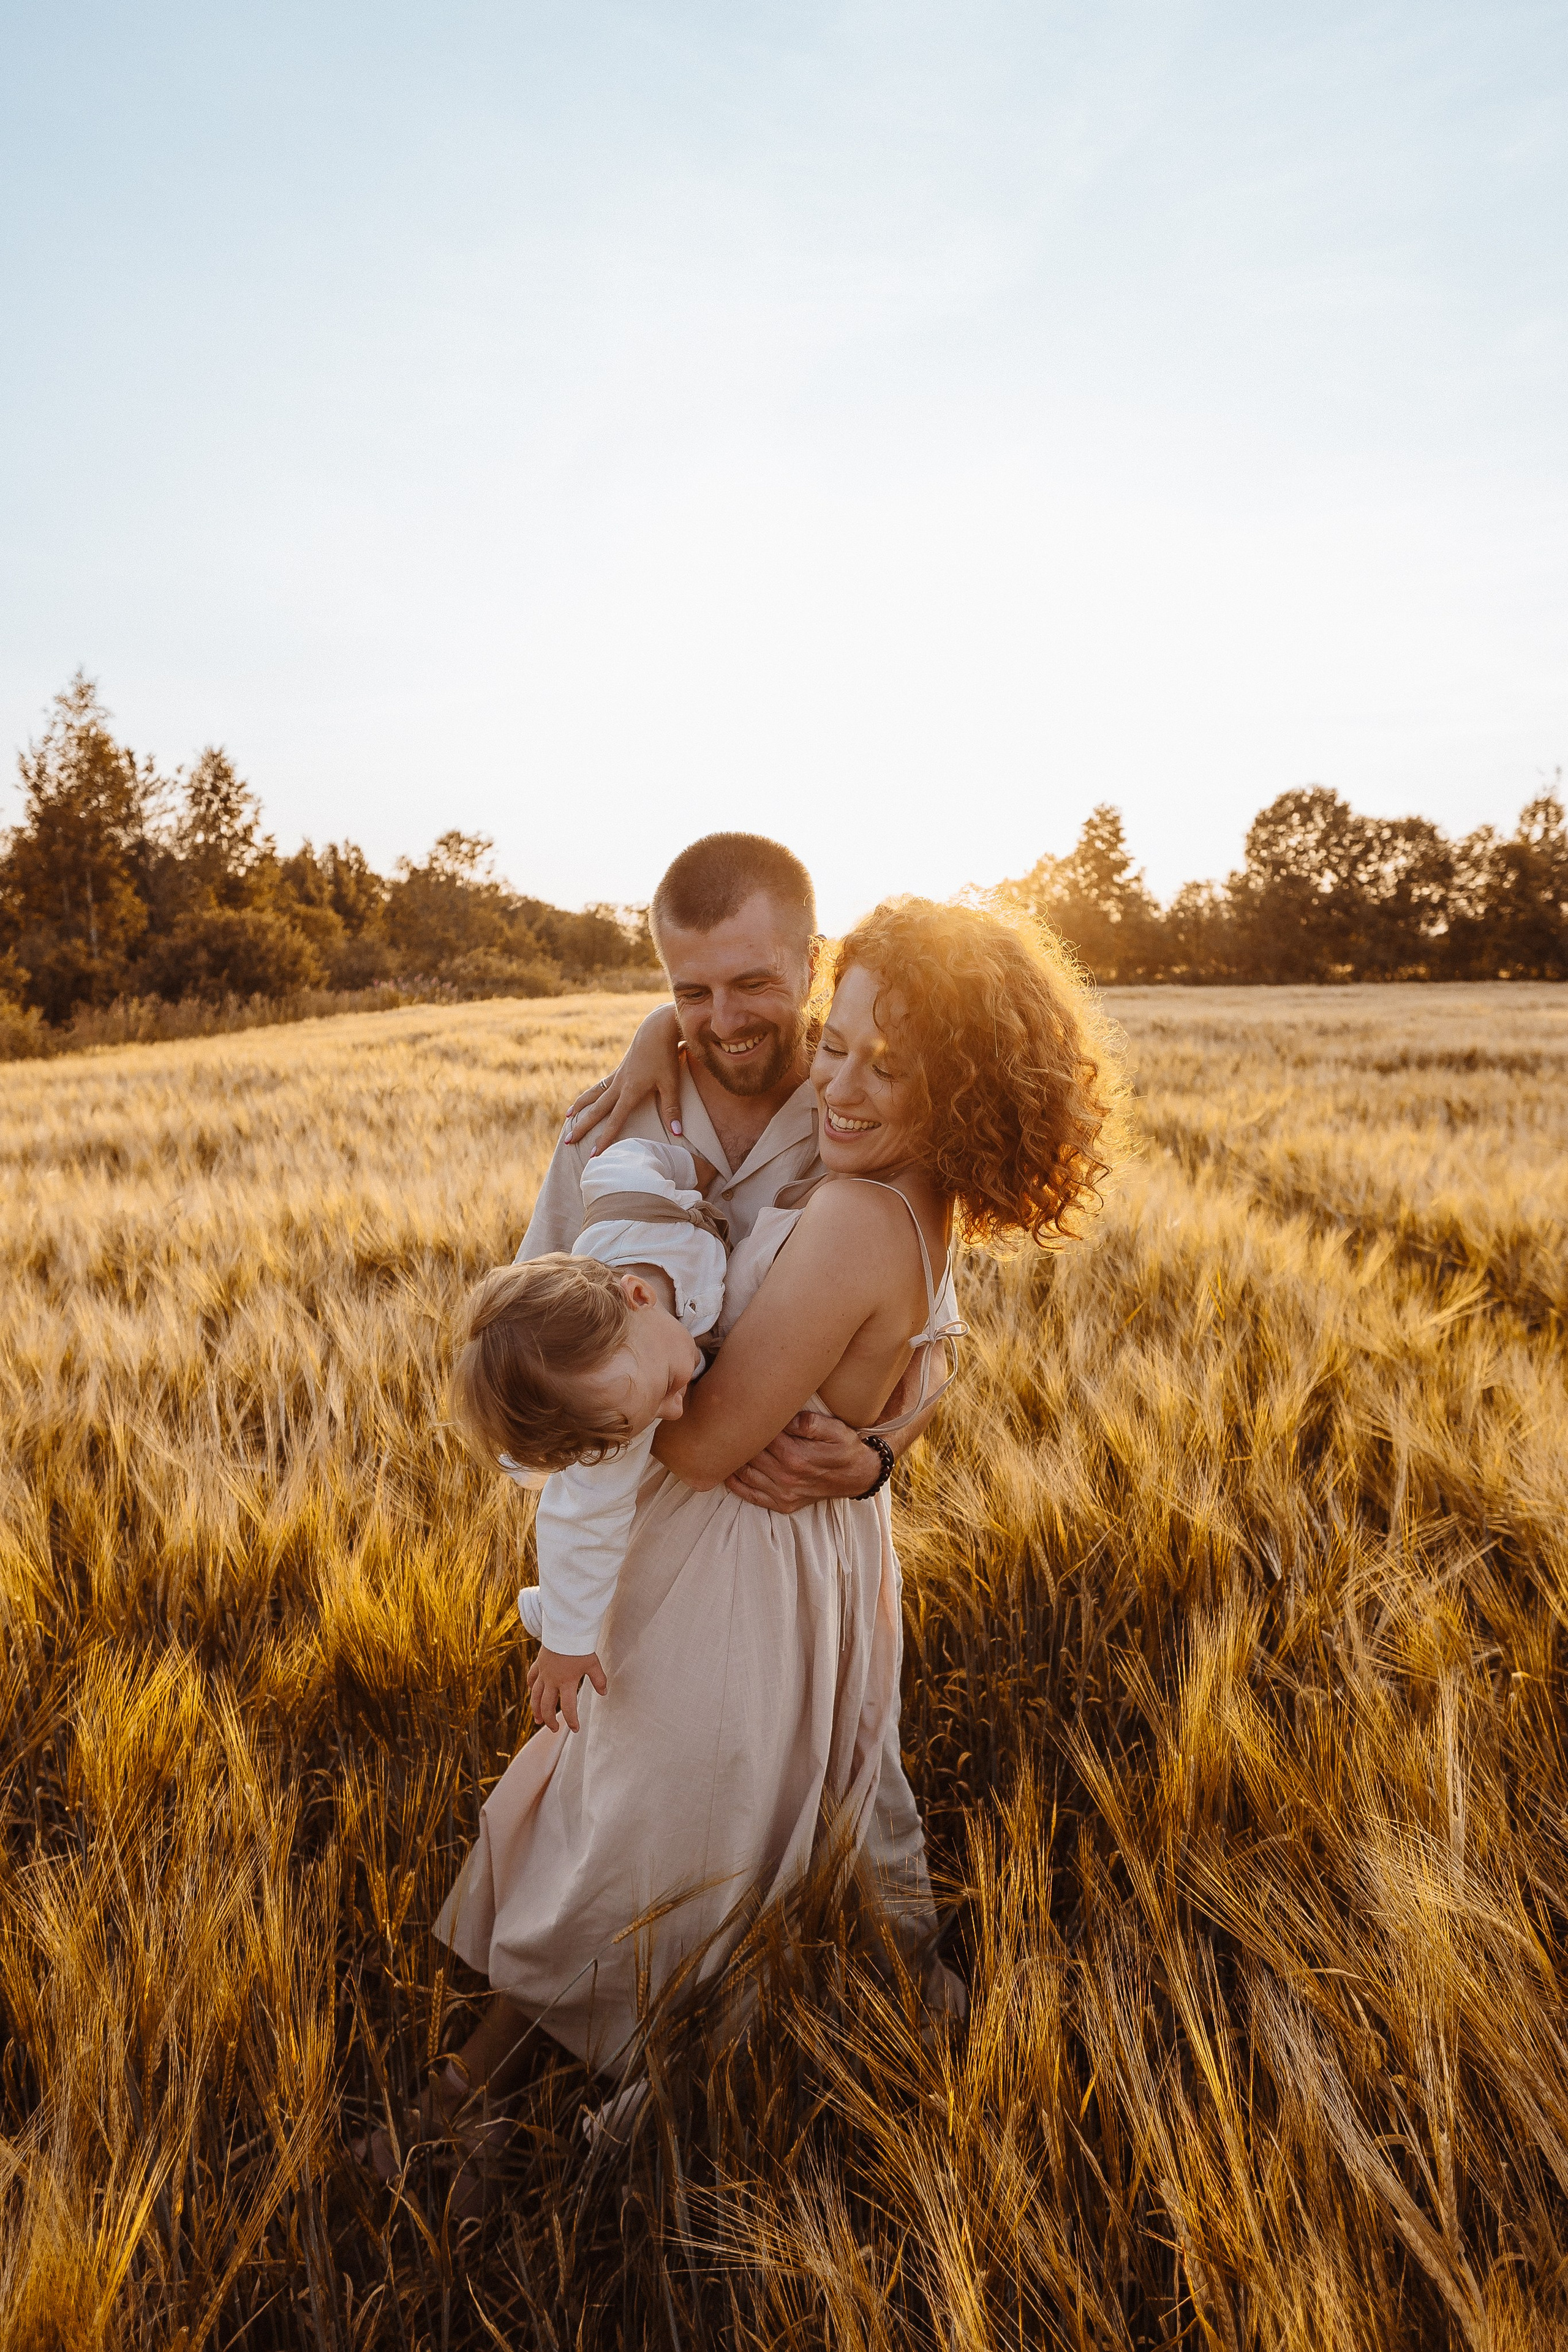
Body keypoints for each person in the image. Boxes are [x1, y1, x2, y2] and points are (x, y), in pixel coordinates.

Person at [416, 888, 1114, 2182]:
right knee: (697, 1835)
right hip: (785, 1563)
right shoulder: (901, 1189)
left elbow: (695, 1441)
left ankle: (508, 2107)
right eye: (834, 1043)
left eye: (886, 1066)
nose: (839, 1085)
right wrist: (651, 1042)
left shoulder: (855, 1215)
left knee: (644, 1840)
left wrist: (642, 1375)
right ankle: (516, 2089)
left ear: (955, 1089)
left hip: (729, 1575)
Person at [451, 1133, 728, 1736]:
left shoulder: (632, 1204)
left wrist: (687, 1165)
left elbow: (621, 1156)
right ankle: (561, 1610)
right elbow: (582, 1521)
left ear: (638, 1296)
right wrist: (567, 1646)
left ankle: (553, 1603)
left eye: (668, 1391)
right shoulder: (616, 1397)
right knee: (589, 1495)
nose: (677, 1415)